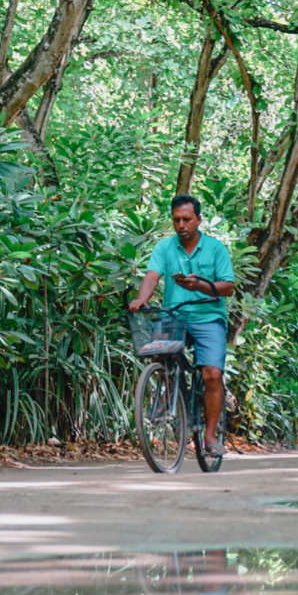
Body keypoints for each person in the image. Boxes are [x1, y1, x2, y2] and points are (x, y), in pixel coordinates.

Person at [129, 194, 235, 456]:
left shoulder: (216, 248)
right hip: (174, 315)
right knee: (158, 350)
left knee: (212, 373)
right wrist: (141, 299)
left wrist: (199, 284)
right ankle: (170, 392)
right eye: (177, 220)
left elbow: (229, 287)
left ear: (198, 220)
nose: (182, 225)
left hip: (208, 317)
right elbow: (152, 276)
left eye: (187, 219)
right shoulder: (165, 248)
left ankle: (210, 437)